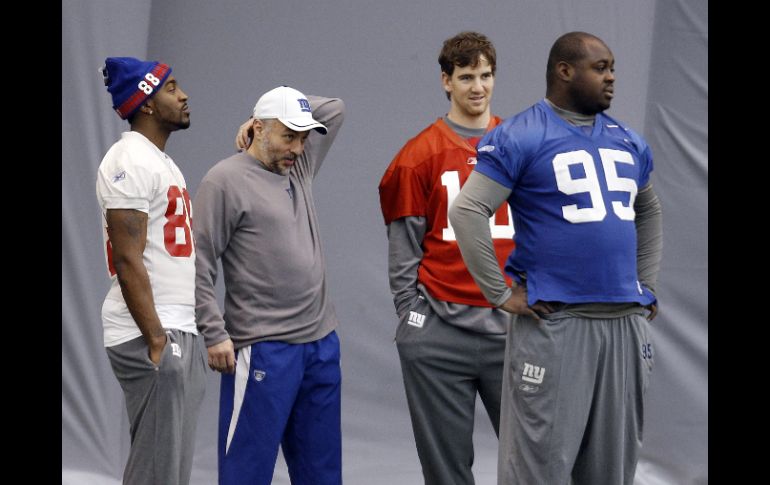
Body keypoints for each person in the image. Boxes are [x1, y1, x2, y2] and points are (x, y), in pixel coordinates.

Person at [448, 31, 663, 485]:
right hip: (559, 322)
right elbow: (468, 210)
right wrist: (501, 293)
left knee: (612, 468)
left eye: (612, 68)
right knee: (539, 467)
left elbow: (648, 208)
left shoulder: (628, 140)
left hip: (624, 322)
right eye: (600, 68)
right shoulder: (520, 135)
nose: (611, 78)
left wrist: (647, 282)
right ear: (565, 71)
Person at [377, 31, 515, 485]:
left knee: (534, 461)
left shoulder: (521, 145)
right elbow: (404, 250)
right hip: (440, 328)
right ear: (446, 81)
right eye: (467, 76)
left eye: (486, 75)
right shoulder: (417, 157)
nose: (478, 86)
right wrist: (412, 318)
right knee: (446, 471)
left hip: (513, 328)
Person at [193, 86, 345, 485]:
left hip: (321, 344)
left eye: (303, 137)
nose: (296, 147)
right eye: (287, 136)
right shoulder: (224, 181)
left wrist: (275, 117)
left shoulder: (299, 165)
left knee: (322, 472)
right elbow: (199, 263)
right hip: (263, 349)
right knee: (247, 472)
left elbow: (335, 108)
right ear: (260, 129)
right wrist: (213, 333)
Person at [95, 56, 206, 485]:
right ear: (145, 102)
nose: (183, 95)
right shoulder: (129, 159)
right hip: (150, 328)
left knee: (171, 469)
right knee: (156, 471)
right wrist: (157, 339)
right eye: (171, 87)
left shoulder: (160, 161)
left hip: (178, 325)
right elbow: (127, 258)